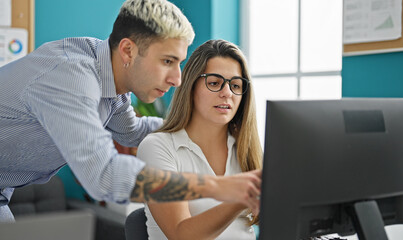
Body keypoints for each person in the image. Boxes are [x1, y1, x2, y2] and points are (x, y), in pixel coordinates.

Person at [0, 0, 261, 223]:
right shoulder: (70, 77)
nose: (177, 79)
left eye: (179, 63)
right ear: (128, 50)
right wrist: (215, 187)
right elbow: (104, 176)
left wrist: (199, 126)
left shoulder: (112, 86)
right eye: (167, 61)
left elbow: (133, 132)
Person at [137, 39, 263, 240]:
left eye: (236, 86)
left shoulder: (246, 151)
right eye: (214, 83)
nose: (227, 93)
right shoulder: (157, 147)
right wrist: (241, 197)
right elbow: (181, 234)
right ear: (191, 87)